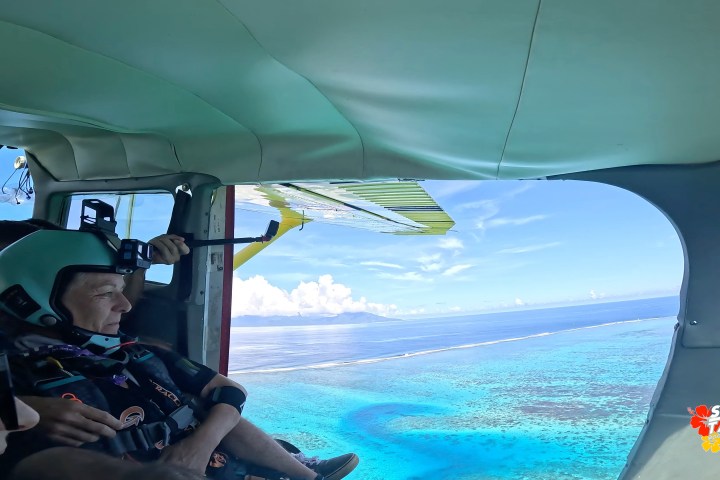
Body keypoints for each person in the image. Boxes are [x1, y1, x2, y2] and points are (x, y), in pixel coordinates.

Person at [0, 229, 358, 480]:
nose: (125, 305)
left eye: (122, 291)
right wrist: (21, 408)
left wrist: (199, 446)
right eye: (105, 293)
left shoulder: (135, 353)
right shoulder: (16, 377)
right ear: (29, 299)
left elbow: (228, 392)